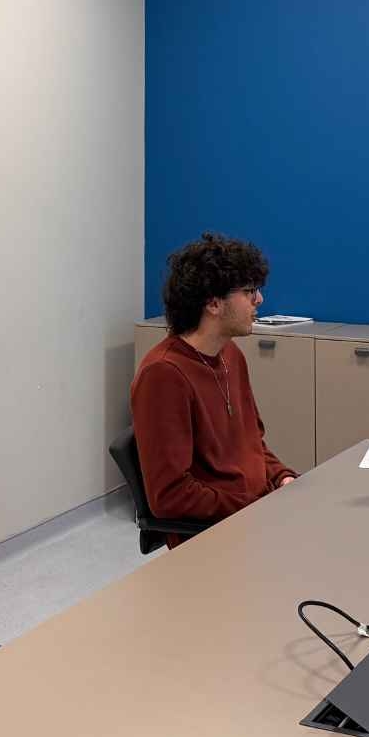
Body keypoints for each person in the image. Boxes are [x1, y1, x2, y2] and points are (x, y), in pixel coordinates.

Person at [131, 233, 296, 544]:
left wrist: (282, 477)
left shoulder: (231, 355)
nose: (259, 300)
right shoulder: (164, 375)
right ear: (213, 303)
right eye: (249, 291)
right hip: (217, 536)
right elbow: (170, 496)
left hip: (254, 516)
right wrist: (253, 507)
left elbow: (253, 444)